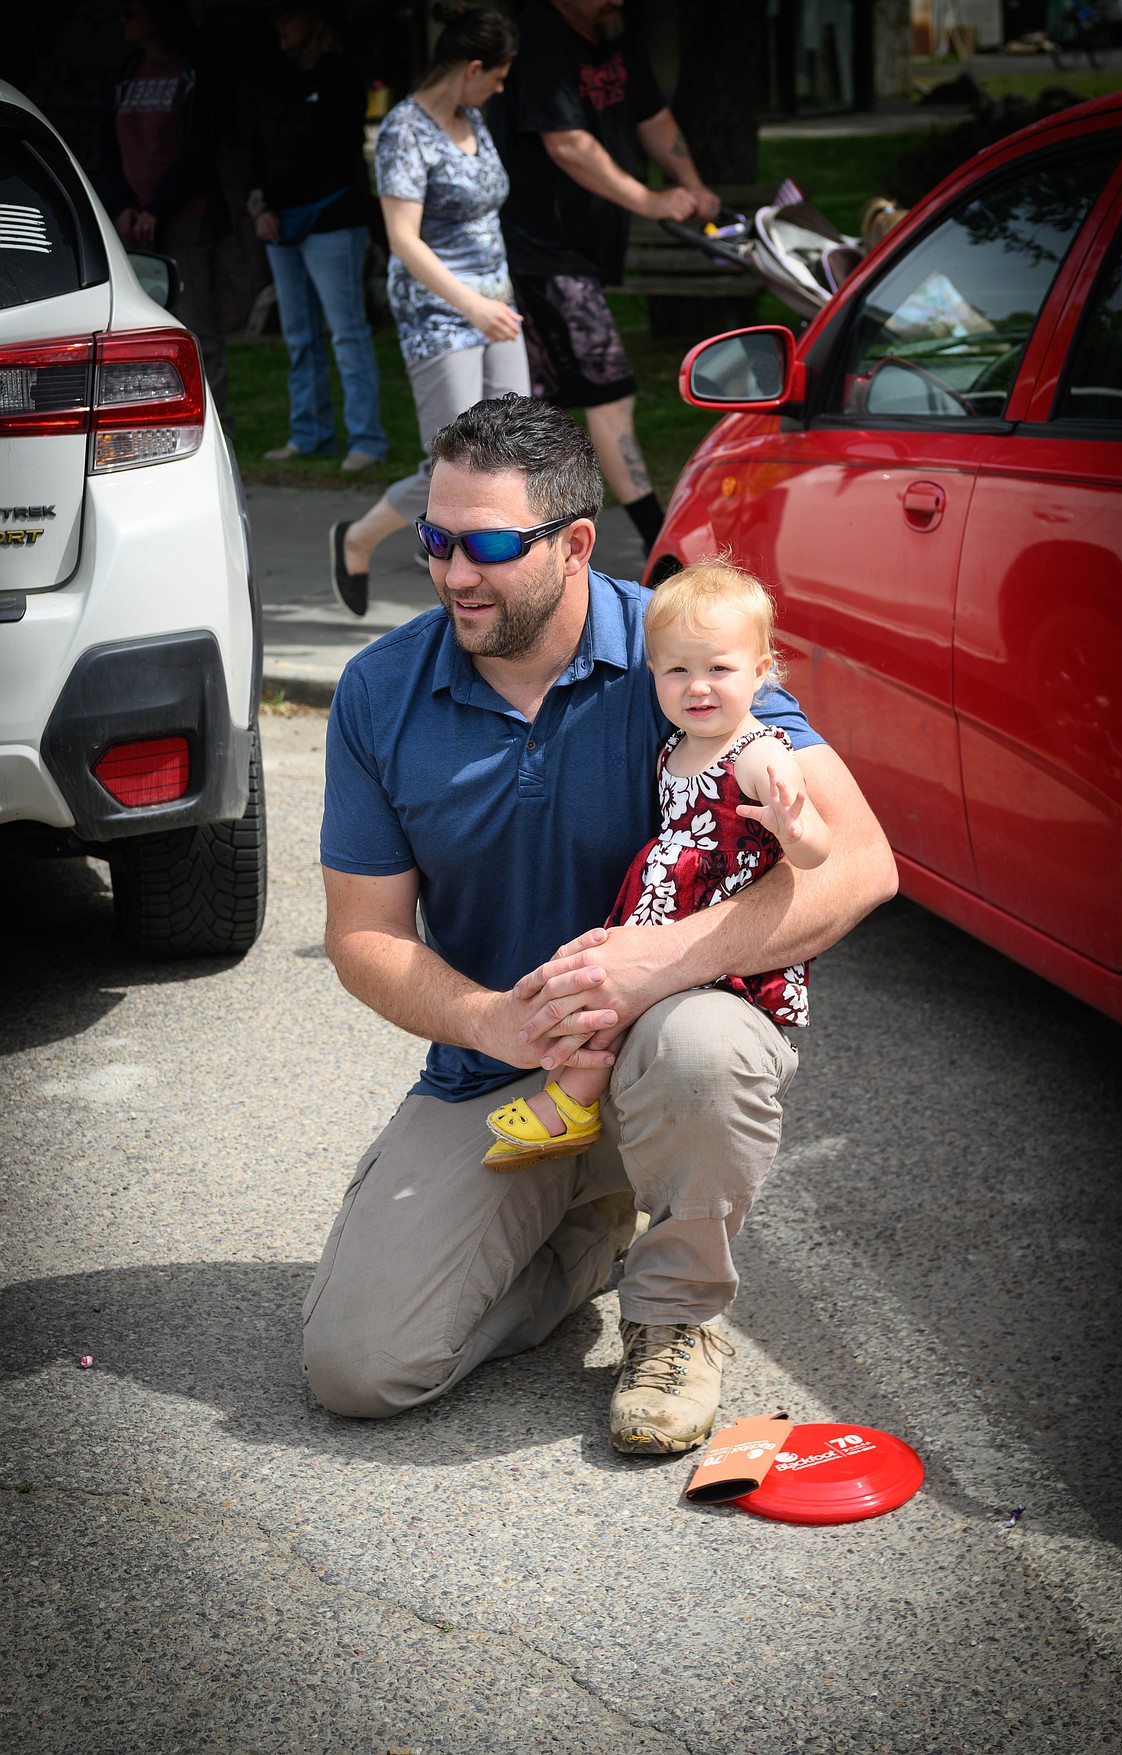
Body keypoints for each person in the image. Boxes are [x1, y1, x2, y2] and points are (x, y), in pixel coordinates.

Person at [309, 393, 897, 1455]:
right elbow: (362, 935)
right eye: (437, 540)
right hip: (503, 1068)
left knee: (703, 1044)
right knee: (361, 1370)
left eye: (486, 544)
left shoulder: (683, 650)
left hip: (667, 1050)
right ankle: (585, 1241)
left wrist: (662, 960)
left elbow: (861, 863)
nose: (450, 572)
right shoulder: (378, 690)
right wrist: (494, 1023)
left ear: (577, 544)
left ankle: (674, 1318)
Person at [481, 561, 832, 1169]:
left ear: (761, 672)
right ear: (653, 675)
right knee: (603, 984)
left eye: (718, 669)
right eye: (677, 671)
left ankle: (571, 1103)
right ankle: (583, 1106)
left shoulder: (759, 750)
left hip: (710, 921)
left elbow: (816, 852)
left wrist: (793, 826)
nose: (698, 687)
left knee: (617, 998)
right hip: (665, 903)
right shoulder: (679, 743)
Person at [489, 0, 720, 557]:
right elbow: (566, 142)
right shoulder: (541, 37)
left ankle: (490, 531)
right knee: (609, 393)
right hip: (543, 250)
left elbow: (653, 118)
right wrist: (648, 199)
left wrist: (691, 184)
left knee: (537, 408)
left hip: (579, 252)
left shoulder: (615, 31)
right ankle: (658, 543)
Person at [329, 4, 530, 620]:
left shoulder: (472, 118)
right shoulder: (403, 132)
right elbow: (404, 238)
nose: (500, 87)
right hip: (440, 314)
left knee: (517, 449)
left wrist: (495, 299)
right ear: (472, 68)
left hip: (496, 307)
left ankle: (496, 580)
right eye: (496, 75)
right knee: (458, 461)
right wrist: (471, 302)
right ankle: (361, 540)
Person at [249, 0, 387, 473]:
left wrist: (270, 198)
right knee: (299, 336)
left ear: (315, 21)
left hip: (331, 219)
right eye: (277, 17)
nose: (280, 24)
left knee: (348, 333)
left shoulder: (341, 78)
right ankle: (310, 435)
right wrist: (262, 201)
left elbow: (326, 152)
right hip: (280, 220)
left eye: (288, 15)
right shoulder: (277, 79)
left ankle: (367, 440)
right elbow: (263, 145)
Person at [101, 0, 230, 419]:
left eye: (130, 11)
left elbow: (198, 148)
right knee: (134, 328)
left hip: (185, 216)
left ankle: (216, 425)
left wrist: (158, 206)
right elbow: (109, 148)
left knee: (197, 327)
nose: (122, 20)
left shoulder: (191, 72)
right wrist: (123, 206)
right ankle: (153, 418)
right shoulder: (125, 73)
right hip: (132, 221)